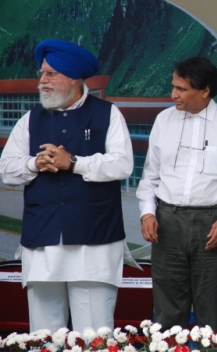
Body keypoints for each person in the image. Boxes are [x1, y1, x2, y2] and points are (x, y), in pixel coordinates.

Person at [0, 39, 134, 332]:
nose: (42, 81)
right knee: (44, 337)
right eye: (41, 74)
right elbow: (6, 170)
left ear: (72, 78)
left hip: (94, 242)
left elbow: (123, 164)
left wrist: (72, 163)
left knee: (94, 338)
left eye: (50, 74)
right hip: (42, 239)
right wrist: (35, 164)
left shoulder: (108, 114)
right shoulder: (30, 119)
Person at [137, 57, 217, 329]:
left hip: (214, 223)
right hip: (167, 222)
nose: (173, 94)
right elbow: (149, 177)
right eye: (173, 86)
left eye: (182, 88)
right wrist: (147, 214)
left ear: (205, 90)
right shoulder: (164, 120)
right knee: (166, 311)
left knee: (210, 310)